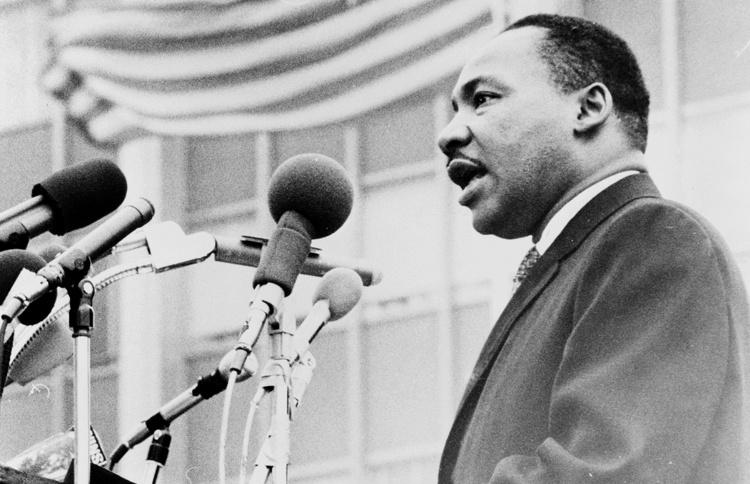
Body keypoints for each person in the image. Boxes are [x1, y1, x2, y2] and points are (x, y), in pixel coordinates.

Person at [437, 13, 750, 484]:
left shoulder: (653, 239)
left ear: (588, 108)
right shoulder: (586, 258)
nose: (448, 135)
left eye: (482, 99)